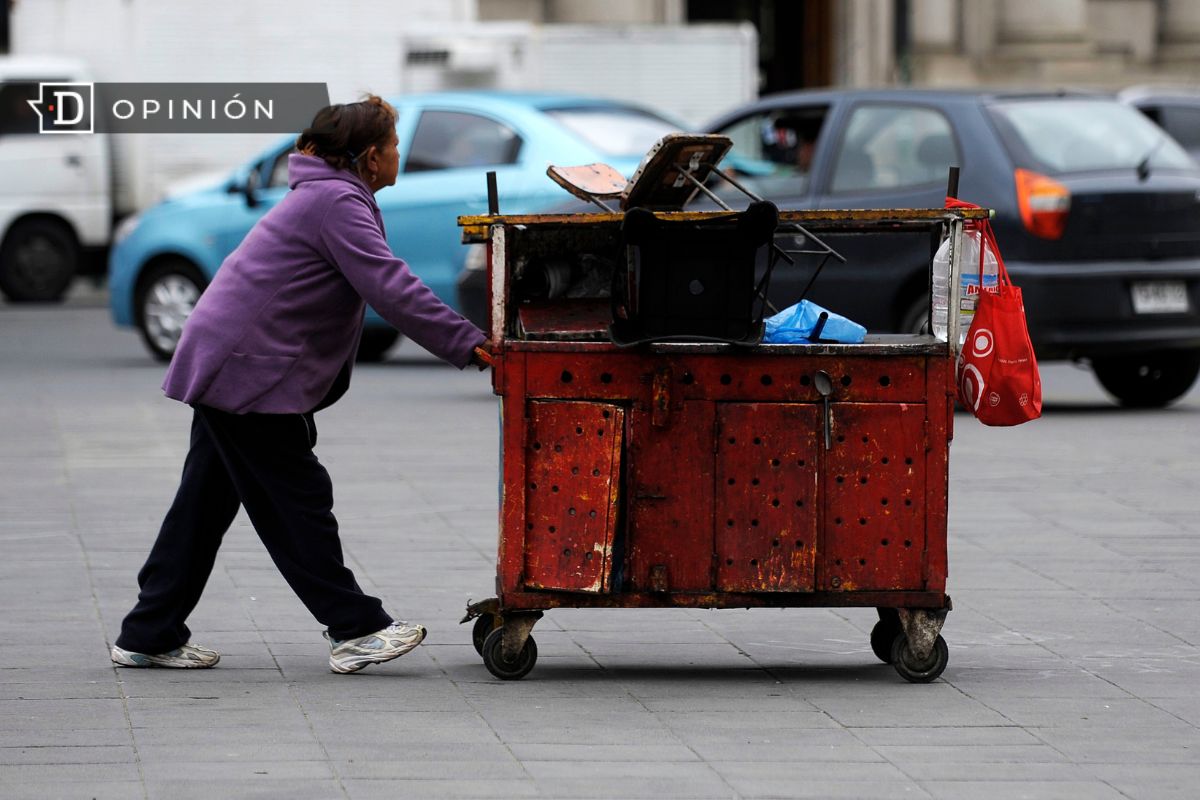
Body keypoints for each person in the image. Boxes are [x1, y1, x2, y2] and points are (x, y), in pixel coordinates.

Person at [110, 95, 490, 674]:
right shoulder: (337, 200)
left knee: (203, 504)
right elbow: (388, 285)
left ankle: (148, 630)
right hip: (246, 368)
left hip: (233, 360)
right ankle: (356, 628)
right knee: (297, 497)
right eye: (391, 147)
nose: (397, 157)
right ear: (368, 158)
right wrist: (468, 342)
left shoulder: (328, 194)